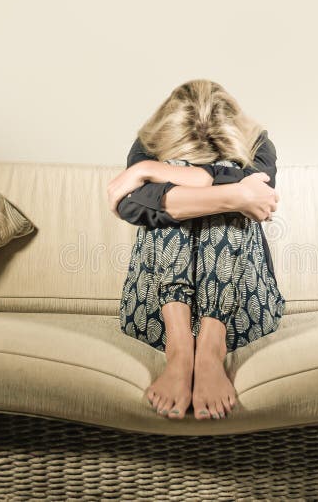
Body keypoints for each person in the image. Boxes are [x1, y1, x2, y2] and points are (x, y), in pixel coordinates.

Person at [106, 79, 285, 421]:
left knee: (218, 188)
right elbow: (130, 207)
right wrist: (232, 194)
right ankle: (179, 349)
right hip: (154, 311)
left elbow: (259, 197)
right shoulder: (147, 144)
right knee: (217, 193)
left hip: (243, 309)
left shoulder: (258, 144)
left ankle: (210, 350)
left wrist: (155, 174)